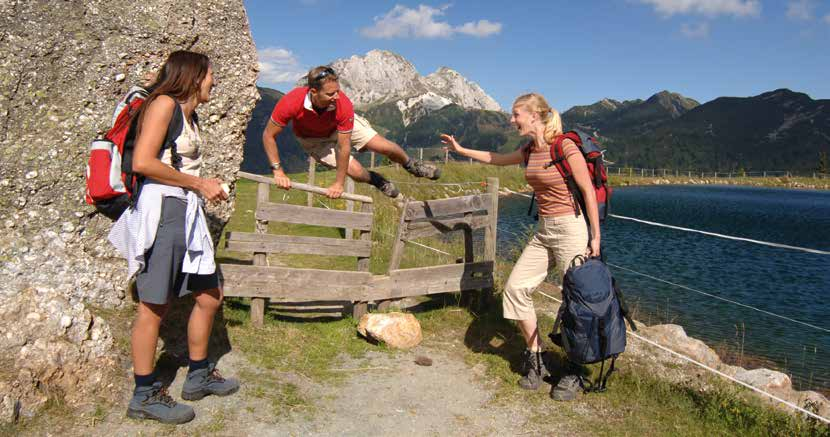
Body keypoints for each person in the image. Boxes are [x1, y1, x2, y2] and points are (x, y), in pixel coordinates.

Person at [440, 93, 601, 402]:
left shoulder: (564, 147)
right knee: (515, 288)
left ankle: (574, 369)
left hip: (571, 228)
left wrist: (595, 237)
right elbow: (496, 159)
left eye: (516, 114)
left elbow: (588, 191)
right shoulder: (529, 151)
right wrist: (460, 150)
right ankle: (536, 356)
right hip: (544, 229)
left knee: (575, 302)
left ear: (534, 116)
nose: (511, 120)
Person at [109, 50, 239, 424]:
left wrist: (200, 188)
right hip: (164, 211)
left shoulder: (188, 114)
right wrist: (200, 183)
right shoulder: (163, 104)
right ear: (195, 76)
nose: (214, 82)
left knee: (210, 295)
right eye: (211, 75)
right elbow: (144, 162)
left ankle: (198, 375)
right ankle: (144, 394)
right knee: (154, 305)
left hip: (186, 211)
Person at [262, 66, 440, 199]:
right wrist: (278, 171)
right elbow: (269, 135)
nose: (337, 97)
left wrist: (339, 184)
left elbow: (343, 147)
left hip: (339, 129)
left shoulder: (342, 103)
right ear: (313, 92)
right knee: (356, 173)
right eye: (331, 94)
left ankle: (411, 165)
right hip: (313, 140)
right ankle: (377, 180)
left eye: (338, 91)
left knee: (384, 146)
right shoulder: (291, 102)